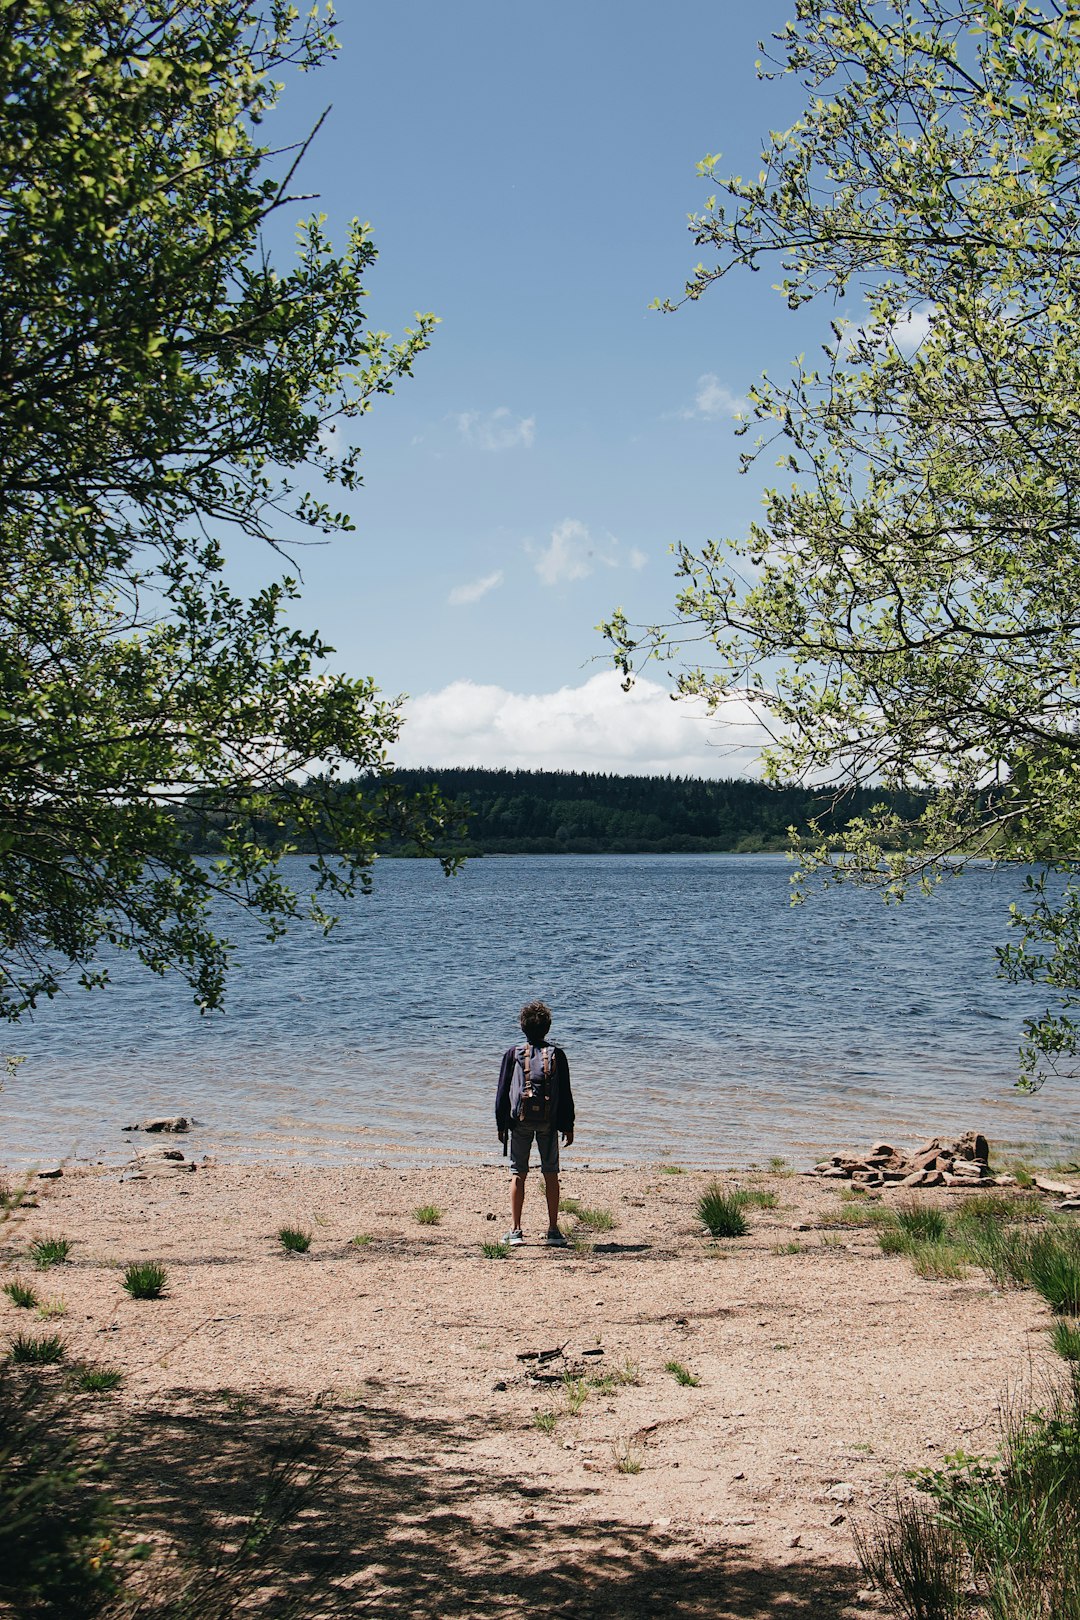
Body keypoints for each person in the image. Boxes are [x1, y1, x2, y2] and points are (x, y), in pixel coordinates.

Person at [495, 998, 575, 1247]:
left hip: (520, 1122)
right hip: (549, 1123)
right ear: (547, 1028)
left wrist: (501, 1125)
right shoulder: (557, 1055)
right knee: (551, 1174)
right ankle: (553, 1230)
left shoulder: (513, 1053)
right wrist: (568, 1125)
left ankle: (516, 1231)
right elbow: (566, 1094)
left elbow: (502, 1091)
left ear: (522, 1027)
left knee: (518, 1173)